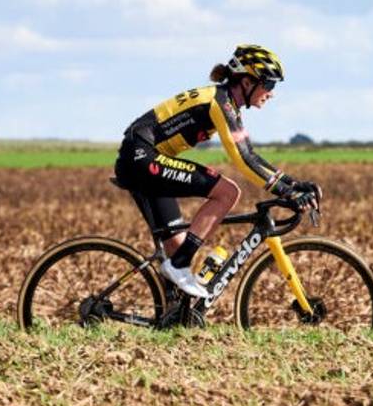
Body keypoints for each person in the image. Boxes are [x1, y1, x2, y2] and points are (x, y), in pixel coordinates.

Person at [115, 44, 321, 300]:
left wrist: (293, 184)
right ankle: (178, 265)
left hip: (142, 158)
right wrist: (286, 192)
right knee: (227, 192)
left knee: (177, 247)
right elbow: (243, 159)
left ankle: (171, 316)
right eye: (269, 85)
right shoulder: (219, 103)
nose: (271, 93)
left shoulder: (227, 103)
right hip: (142, 157)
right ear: (247, 82)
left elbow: (250, 153)